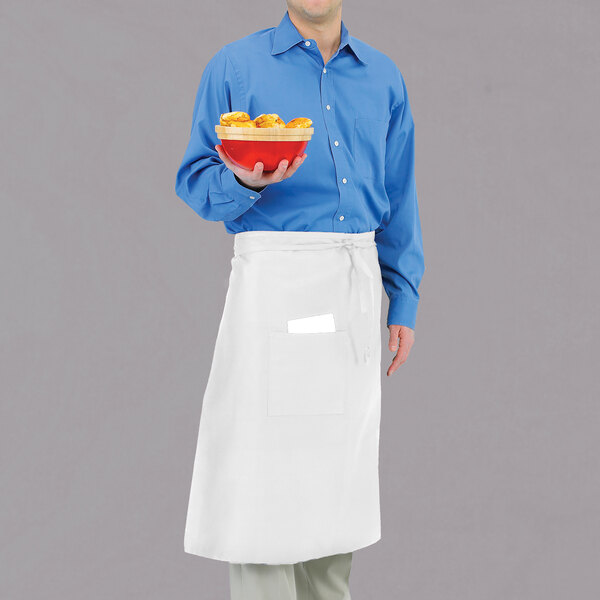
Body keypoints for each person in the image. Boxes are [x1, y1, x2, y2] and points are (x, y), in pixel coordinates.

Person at [174, 1, 425, 598]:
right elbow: (194, 181)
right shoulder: (235, 67)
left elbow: (399, 195)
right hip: (276, 289)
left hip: (354, 289)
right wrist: (245, 179)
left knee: (335, 492)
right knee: (264, 495)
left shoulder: (383, 77)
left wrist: (404, 299)